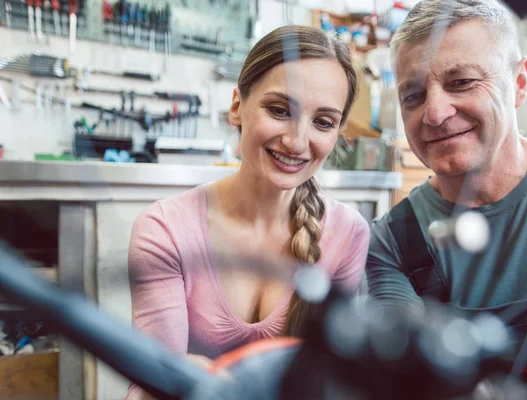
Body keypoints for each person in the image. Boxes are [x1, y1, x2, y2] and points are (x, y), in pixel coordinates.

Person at [367, 0, 527, 397]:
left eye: (461, 82)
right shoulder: (393, 245)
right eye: (414, 96)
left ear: (520, 82)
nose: (435, 113)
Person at [125, 25, 370, 399]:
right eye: (279, 110)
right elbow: (149, 389)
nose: (296, 141)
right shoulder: (165, 230)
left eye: (323, 122)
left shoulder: (348, 233)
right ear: (237, 106)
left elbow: (331, 377)